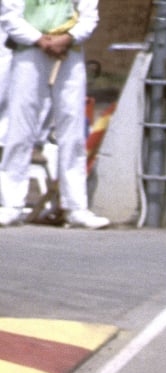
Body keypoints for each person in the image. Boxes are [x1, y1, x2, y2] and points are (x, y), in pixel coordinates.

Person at [0, 0, 108, 229]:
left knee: (72, 129)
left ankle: (76, 207)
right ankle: (11, 204)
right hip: (29, 53)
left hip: (69, 53)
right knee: (20, 127)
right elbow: (10, 17)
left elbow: (89, 17)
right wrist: (39, 40)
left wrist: (67, 38)